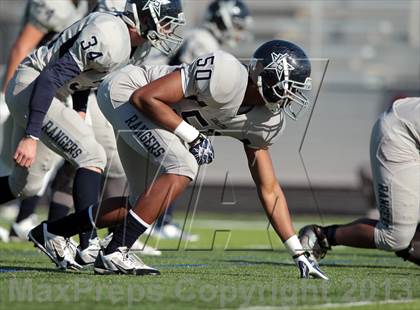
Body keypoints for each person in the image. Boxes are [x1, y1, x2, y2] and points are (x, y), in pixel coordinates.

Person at [29, 39, 329, 279]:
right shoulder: (225, 73)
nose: (290, 96)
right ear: (268, 74)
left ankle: (53, 232)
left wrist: (297, 253)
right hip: (125, 92)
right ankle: (116, 249)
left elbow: (269, 188)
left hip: (153, 117)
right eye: (289, 85)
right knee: (184, 165)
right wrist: (193, 137)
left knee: (142, 202)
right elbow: (145, 98)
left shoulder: (266, 120)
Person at [1, 0, 185, 270]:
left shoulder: (136, 44)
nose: (169, 30)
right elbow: (50, 77)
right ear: (144, 17)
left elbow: (86, 75)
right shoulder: (109, 34)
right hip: (33, 86)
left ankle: (76, 239)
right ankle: (86, 243)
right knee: (92, 154)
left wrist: (79, 109)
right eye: (166, 22)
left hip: (54, 93)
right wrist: (31, 136)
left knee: (25, 185)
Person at [145, 0, 253, 241]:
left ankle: (161, 220)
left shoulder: (208, 42)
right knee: (176, 162)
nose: (238, 32)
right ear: (221, 20)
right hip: (158, 99)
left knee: (178, 162)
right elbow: (191, 83)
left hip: (166, 101)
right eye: (235, 25)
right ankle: (159, 221)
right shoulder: (202, 42)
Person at [0, 0, 89, 242]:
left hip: (53, 91)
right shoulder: (55, 4)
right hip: (29, 86)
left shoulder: (79, 7)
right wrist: (3, 95)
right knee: (14, 165)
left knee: (31, 172)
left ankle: (25, 220)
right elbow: (22, 47)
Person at [299, 97, 420, 267]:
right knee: (394, 237)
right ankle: (320, 236)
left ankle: (409, 242)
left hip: (409, 128)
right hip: (400, 135)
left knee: (405, 233)